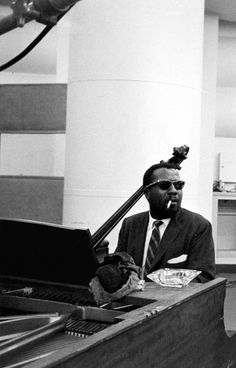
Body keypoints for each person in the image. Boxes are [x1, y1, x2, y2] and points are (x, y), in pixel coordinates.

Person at [115, 162, 215, 283]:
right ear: (147, 194)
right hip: (131, 299)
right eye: (164, 185)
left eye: (178, 185)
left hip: (173, 300)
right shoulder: (130, 224)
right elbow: (118, 266)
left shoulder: (198, 226)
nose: (174, 191)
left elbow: (202, 276)